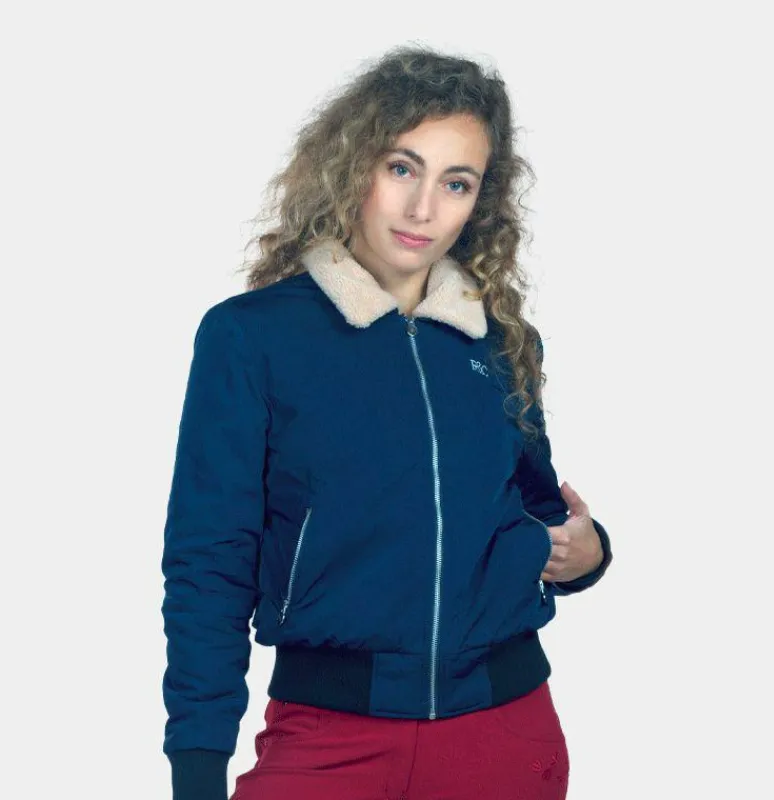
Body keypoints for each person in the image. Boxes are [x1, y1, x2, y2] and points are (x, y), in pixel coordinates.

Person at [160, 44, 613, 800]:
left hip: (504, 733)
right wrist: (198, 763)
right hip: (329, 736)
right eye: (402, 168)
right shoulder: (253, 336)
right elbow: (211, 560)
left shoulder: (501, 341)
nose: (423, 209)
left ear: (479, 202)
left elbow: (533, 508)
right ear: (353, 167)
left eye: (456, 182)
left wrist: (588, 555)